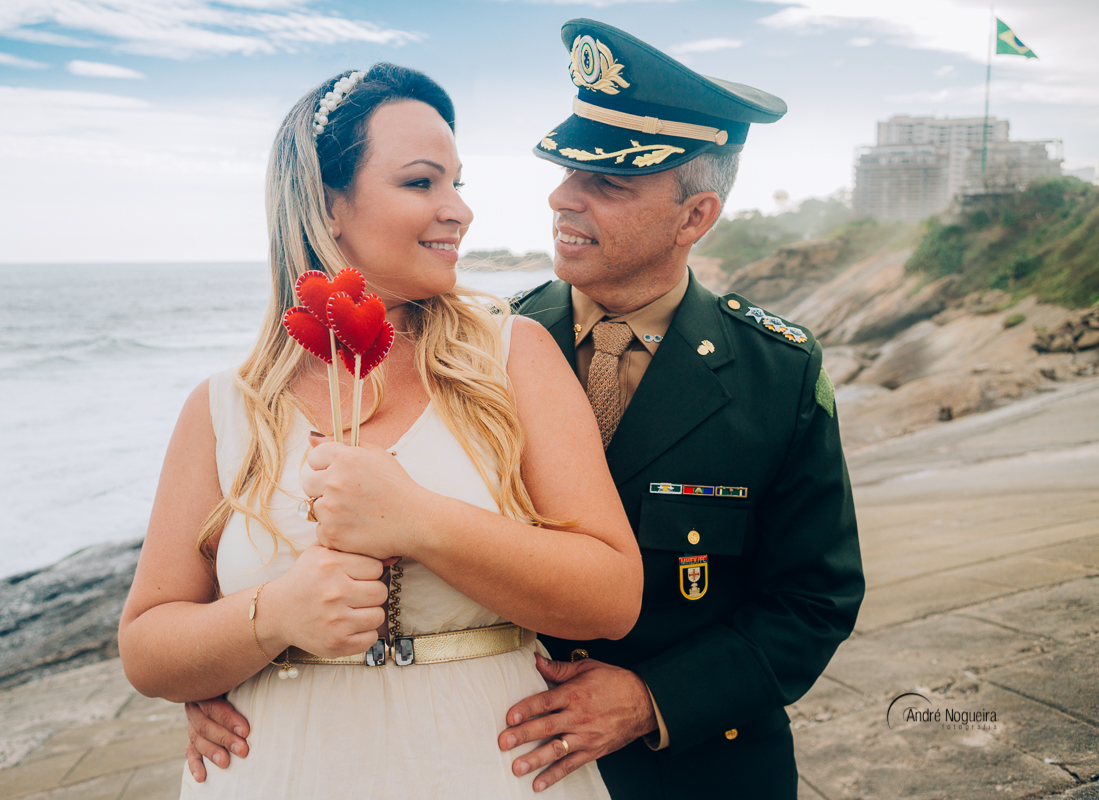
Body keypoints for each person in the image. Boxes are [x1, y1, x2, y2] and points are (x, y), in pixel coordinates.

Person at [183, 20, 864, 799]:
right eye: (568, 169)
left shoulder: (773, 370)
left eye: (607, 183)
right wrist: (241, 669)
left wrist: (654, 701)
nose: (562, 197)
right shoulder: (478, 349)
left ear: (694, 217)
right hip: (488, 756)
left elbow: (814, 599)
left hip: (690, 765)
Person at [117, 61, 642, 799]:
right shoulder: (224, 405)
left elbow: (611, 599)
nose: (458, 210)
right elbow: (146, 649)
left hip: (488, 765)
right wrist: (272, 617)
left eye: (458, 184)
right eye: (421, 182)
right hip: (279, 772)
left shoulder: (512, 356)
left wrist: (420, 520)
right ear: (328, 204)